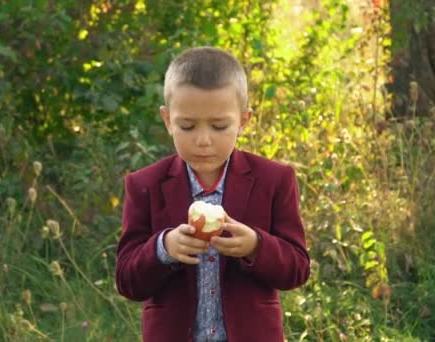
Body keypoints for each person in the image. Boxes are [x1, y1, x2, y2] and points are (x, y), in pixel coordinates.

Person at [115, 46, 310, 342]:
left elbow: (297, 269)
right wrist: (163, 248)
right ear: (168, 120)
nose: (203, 140)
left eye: (219, 126)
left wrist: (256, 246)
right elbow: (127, 281)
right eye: (187, 126)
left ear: (244, 120)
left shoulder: (274, 180)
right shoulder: (145, 185)